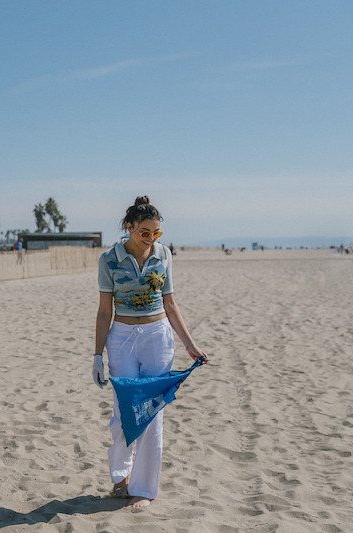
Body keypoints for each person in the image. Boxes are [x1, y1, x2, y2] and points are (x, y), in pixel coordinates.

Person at [93, 195, 208, 509]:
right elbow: (104, 311)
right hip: (121, 338)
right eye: (145, 232)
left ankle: (143, 489)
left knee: (152, 414)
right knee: (123, 413)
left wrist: (189, 344)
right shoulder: (109, 259)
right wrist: (97, 355)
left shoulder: (164, 255)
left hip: (158, 337)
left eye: (156, 233)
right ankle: (120, 478)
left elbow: (170, 303)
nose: (151, 238)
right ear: (129, 228)